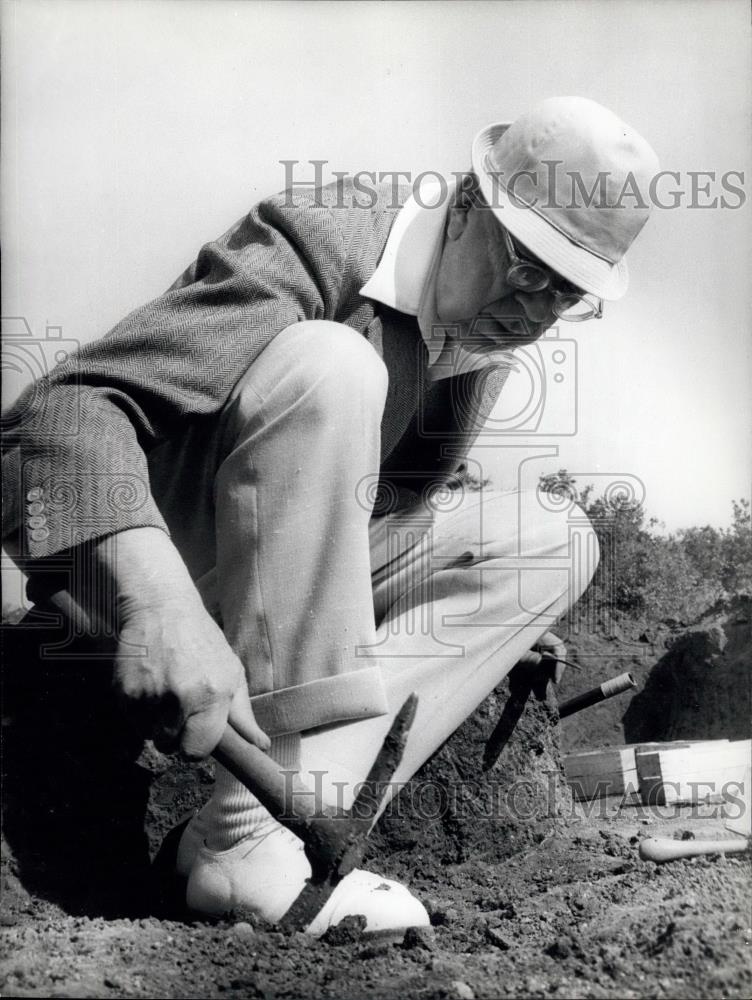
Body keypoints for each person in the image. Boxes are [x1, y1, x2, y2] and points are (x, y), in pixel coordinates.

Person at [2, 97, 659, 934]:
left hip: (252, 569)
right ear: (465, 206)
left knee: (551, 540)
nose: (533, 314)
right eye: (528, 269)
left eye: (565, 295)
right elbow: (69, 412)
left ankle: (251, 836)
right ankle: (250, 841)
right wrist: (157, 602)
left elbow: (387, 505)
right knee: (331, 365)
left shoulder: (476, 337)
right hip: (111, 559)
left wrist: (469, 591)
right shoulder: (325, 235)